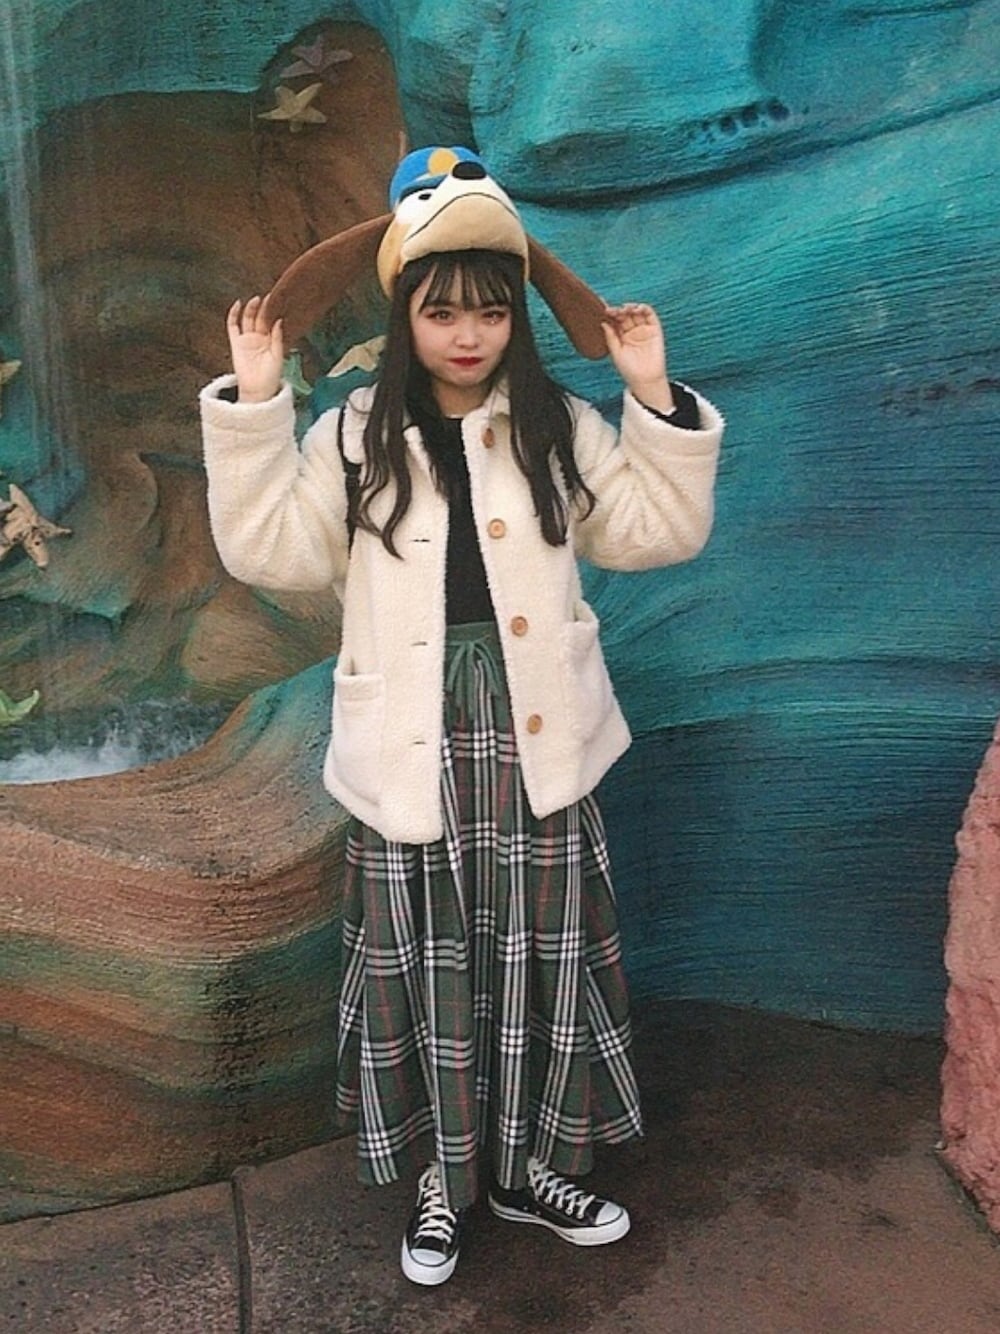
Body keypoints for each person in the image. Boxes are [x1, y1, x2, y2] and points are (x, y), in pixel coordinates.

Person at [200, 146, 723, 1287]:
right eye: (441, 312)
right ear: (404, 316)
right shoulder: (355, 433)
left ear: (516, 318)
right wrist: (255, 401)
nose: (468, 333)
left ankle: (534, 1169)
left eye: (491, 310)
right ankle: (444, 1178)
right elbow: (270, 548)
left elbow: (657, 530)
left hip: (537, 734)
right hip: (410, 738)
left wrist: (648, 394)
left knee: (539, 953)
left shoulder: (555, 423)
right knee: (432, 958)